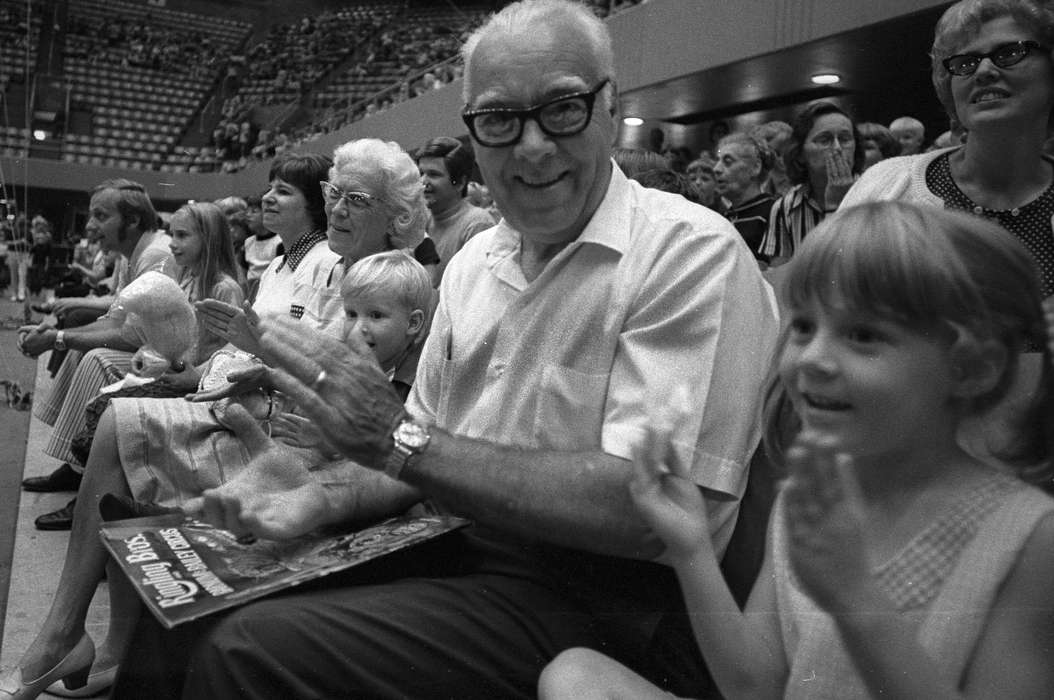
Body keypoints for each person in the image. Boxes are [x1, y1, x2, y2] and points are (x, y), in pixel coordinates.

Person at [111, 1, 779, 697]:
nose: (531, 146)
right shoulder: (472, 265)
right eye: (499, 119)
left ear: (612, 107)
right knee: (183, 611)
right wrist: (320, 496)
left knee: (247, 650)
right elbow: (423, 451)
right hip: (460, 544)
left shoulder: (687, 254)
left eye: (562, 109)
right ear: (474, 135)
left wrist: (398, 443)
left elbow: (647, 513)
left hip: (609, 606)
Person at [538, 201, 1054, 700]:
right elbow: (754, 685)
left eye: (863, 334)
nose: (812, 358)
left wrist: (855, 600)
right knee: (575, 674)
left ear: (971, 368)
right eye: (804, 326)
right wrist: (691, 548)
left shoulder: (1029, 539)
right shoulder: (810, 499)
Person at [0, 249, 434, 700]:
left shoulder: (409, 376)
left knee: (143, 469)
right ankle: (97, 635)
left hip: (322, 483)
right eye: (351, 313)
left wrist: (312, 427)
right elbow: (312, 397)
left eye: (375, 316)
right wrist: (271, 380)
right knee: (127, 437)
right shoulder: (343, 340)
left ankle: (105, 618)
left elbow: (388, 448)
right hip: (289, 452)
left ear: (415, 324)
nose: (357, 327)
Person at [842, 0, 1054, 300]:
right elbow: (828, 310)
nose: (983, 71)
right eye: (965, 63)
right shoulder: (885, 187)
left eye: (1009, 53)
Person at [18, 180, 177, 511]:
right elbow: (113, 319)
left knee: (97, 357)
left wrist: (58, 338)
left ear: (132, 221)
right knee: (79, 345)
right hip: (149, 349)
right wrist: (55, 334)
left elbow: (134, 336)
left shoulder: (157, 254)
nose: (90, 226)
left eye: (100, 216)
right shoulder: (130, 252)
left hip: (174, 361)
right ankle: (76, 468)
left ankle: (87, 484)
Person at [757, 100, 865, 267]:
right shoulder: (785, 207)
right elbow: (780, 276)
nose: (837, 148)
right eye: (825, 140)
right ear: (800, 153)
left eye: (845, 139)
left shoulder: (878, 192)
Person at [415, 136, 495, 285]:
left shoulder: (477, 224)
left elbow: (474, 288)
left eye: (433, 174)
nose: (423, 182)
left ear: (459, 183)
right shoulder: (421, 223)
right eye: (421, 174)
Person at [712, 132, 777, 261]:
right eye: (718, 161)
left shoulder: (774, 212)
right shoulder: (723, 216)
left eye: (728, 162)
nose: (716, 169)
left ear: (755, 167)